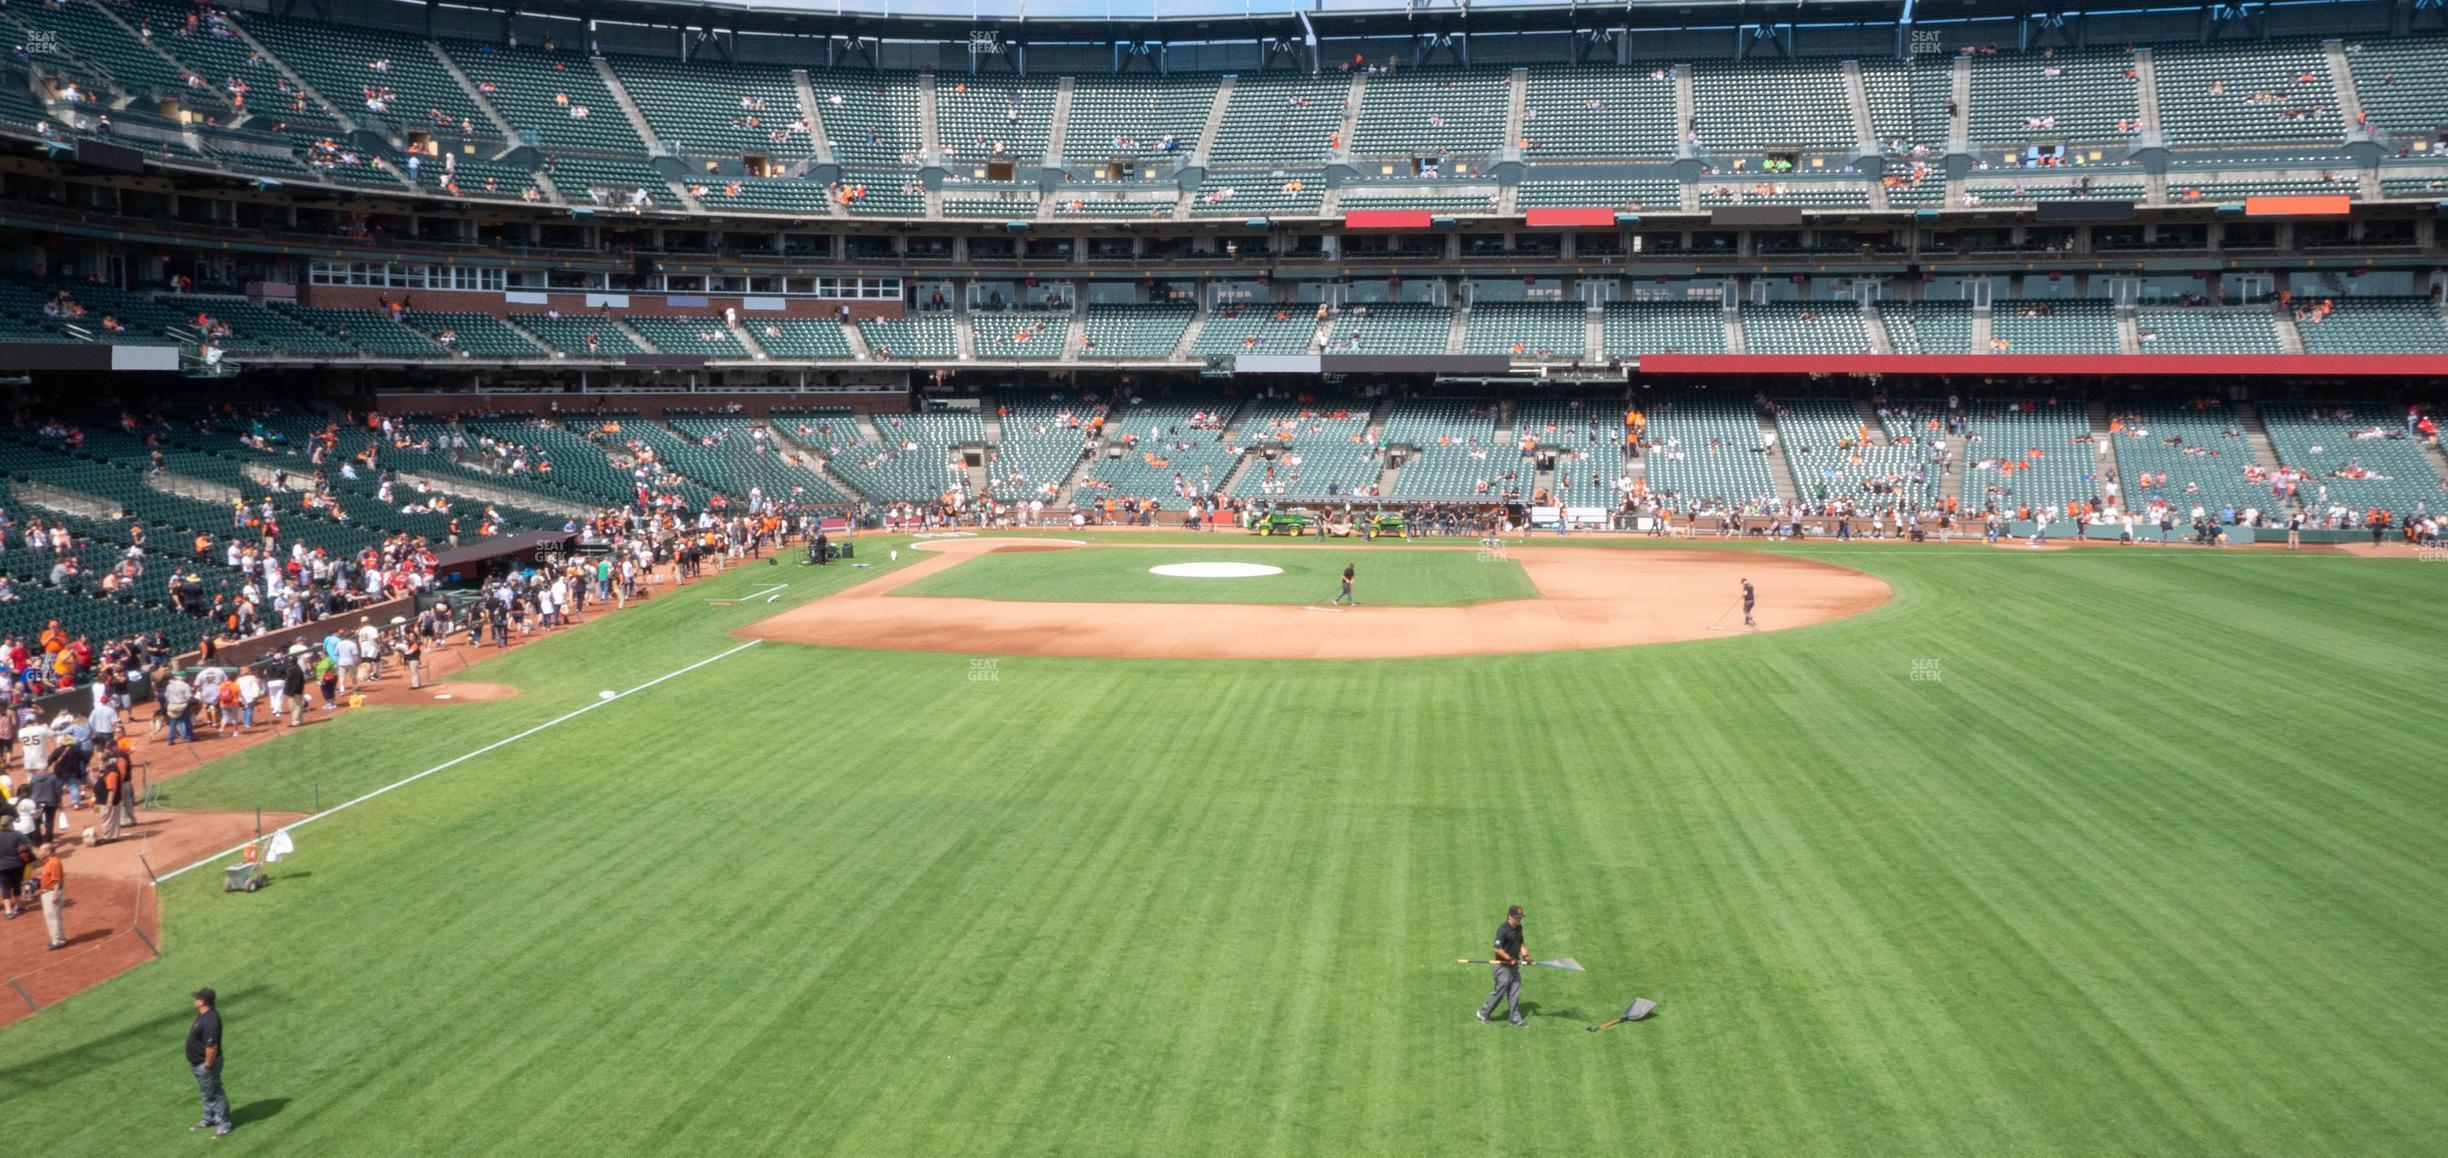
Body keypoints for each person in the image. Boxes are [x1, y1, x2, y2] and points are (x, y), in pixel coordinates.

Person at [187, 988, 232, 1137]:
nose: (195, 1000)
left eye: (197, 998)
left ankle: (224, 1124)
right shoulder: (203, 1015)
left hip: (207, 1064)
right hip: (199, 1063)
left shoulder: (210, 1020)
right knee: (207, 1092)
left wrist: (207, 1066)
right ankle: (209, 1118)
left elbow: (212, 1047)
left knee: (214, 1093)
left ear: (202, 1002)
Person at [1477, 904, 1529, 1027]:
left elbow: (1521, 944)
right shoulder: (1503, 929)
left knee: (1515, 992)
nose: (1519, 919)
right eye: (1517, 917)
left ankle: (1514, 1019)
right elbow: (1497, 949)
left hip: (1514, 966)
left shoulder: (1519, 928)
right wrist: (1509, 958)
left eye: (1520, 917)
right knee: (1500, 991)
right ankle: (1483, 1013)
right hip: (1502, 967)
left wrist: (1526, 956)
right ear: (1509, 916)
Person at [36, 843, 64, 950]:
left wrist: (55, 895)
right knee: (54, 917)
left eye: (42, 850)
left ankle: (58, 941)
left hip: (52, 893)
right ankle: (59, 939)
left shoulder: (54, 863)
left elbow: (57, 880)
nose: (40, 852)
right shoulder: (48, 862)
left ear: (49, 851)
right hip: (48, 892)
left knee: (53, 918)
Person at [0, 822, 29, 919]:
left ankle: (8, 911)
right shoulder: (16, 834)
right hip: (16, 864)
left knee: (5, 887)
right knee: (17, 885)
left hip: (2, 866)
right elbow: (26, 846)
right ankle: (18, 906)